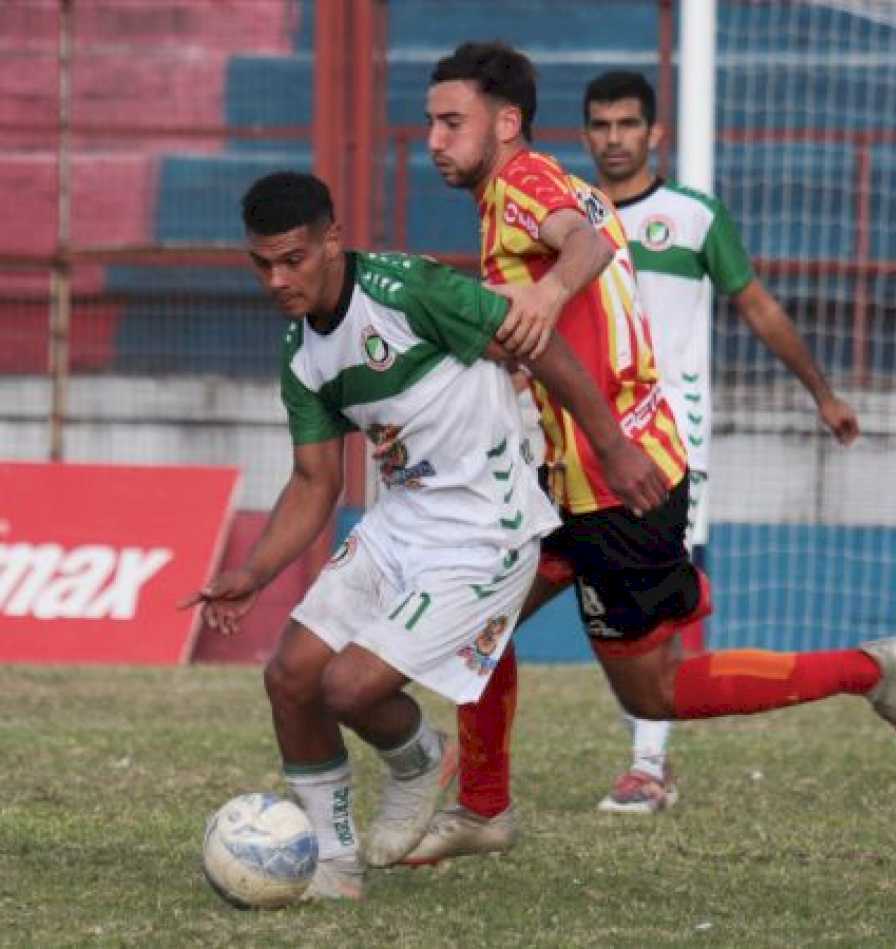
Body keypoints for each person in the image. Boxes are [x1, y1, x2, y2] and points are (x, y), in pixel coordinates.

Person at [402, 41, 896, 866]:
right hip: (574, 480)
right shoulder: (536, 184)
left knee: (656, 690)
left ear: (505, 123)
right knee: (478, 621)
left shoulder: (524, 187)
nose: (432, 138)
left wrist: (544, 292)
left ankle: (869, 669)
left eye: (449, 121)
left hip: (618, 484)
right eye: (430, 121)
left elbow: (585, 248)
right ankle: (482, 805)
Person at [178, 170, 669, 901]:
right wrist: (252, 573)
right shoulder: (301, 352)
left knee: (348, 687)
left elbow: (539, 345)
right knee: (289, 677)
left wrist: (615, 446)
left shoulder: (409, 291)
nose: (277, 278)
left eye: (293, 258)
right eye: (262, 263)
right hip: (401, 522)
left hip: (488, 529)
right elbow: (316, 483)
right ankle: (336, 868)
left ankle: (417, 761)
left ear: (332, 239)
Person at [582, 69, 862, 813]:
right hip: (584, 443)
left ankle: (647, 763)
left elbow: (760, 308)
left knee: (657, 600)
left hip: (671, 450)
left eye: (627, 125)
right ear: (586, 136)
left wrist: (823, 393)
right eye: (601, 126)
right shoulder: (569, 217)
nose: (614, 139)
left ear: (654, 134)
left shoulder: (695, 217)